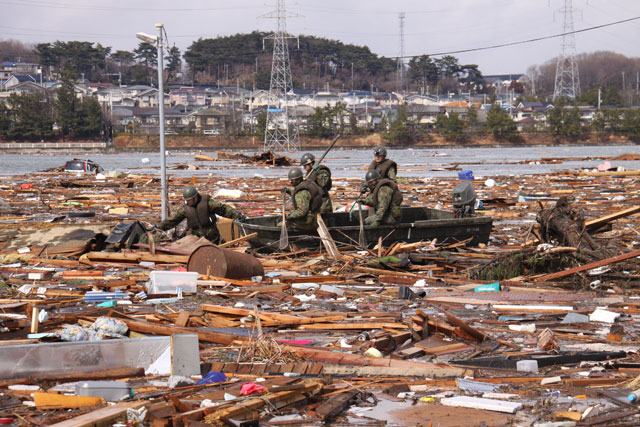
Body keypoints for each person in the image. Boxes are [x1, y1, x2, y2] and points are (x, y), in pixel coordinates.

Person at [154, 186, 246, 245]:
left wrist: (237, 215)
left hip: (212, 235)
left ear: (195, 197)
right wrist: (159, 227)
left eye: (190, 200)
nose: (188, 202)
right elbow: (173, 220)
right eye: (187, 200)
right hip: (196, 237)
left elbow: (223, 209)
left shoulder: (208, 203)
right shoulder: (185, 209)